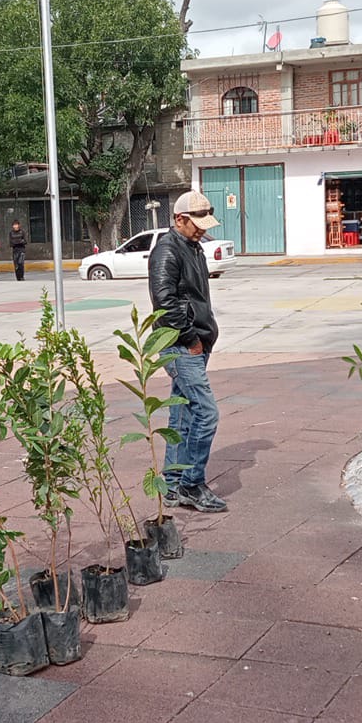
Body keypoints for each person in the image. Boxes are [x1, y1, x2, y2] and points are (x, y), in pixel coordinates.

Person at [147, 190, 226, 513]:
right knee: (207, 413)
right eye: (197, 223)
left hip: (195, 341)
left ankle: (173, 483)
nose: (203, 230)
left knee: (182, 416)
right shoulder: (167, 251)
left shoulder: (192, 247)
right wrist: (191, 337)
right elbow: (165, 303)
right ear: (180, 220)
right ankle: (192, 483)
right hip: (181, 343)